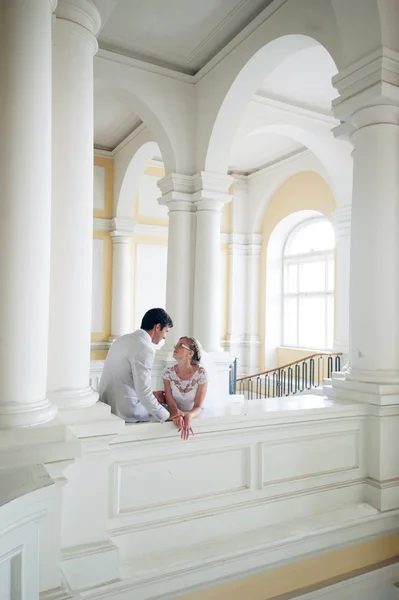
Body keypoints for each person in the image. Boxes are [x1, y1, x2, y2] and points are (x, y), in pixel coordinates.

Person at [99, 308, 181, 425]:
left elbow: (124, 378)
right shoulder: (145, 349)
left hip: (106, 404)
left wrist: (152, 395)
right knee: (169, 413)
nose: (165, 337)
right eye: (166, 331)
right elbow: (143, 392)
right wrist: (167, 416)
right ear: (157, 327)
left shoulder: (122, 339)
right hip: (126, 411)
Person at [162, 337, 208, 440]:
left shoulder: (201, 373)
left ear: (190, 353)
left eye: (180, 345)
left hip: (194, 414)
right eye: (176, 344)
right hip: (175, 413)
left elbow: (198, 406)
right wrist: (177, 414)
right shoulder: (167, 372)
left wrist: (188, 416)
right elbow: (171, 403)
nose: (175, 347)